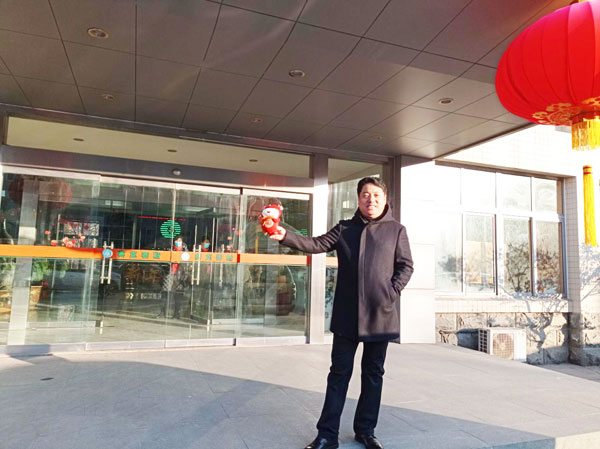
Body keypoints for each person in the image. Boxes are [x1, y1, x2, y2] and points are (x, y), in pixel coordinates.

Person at [270, 177, 413, 449]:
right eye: (365, 195)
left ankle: (366, 430)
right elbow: (316, 244)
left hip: (379, 316)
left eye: (376, 195)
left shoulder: (396, 230)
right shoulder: (345, 228)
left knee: (373, 374)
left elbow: (406, 266)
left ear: (385, 199)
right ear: (358, 199)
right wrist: (284, 235)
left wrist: (390, 292)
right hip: (347, 315)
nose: (371, 200)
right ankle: (327, 435)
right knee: (338, 374)